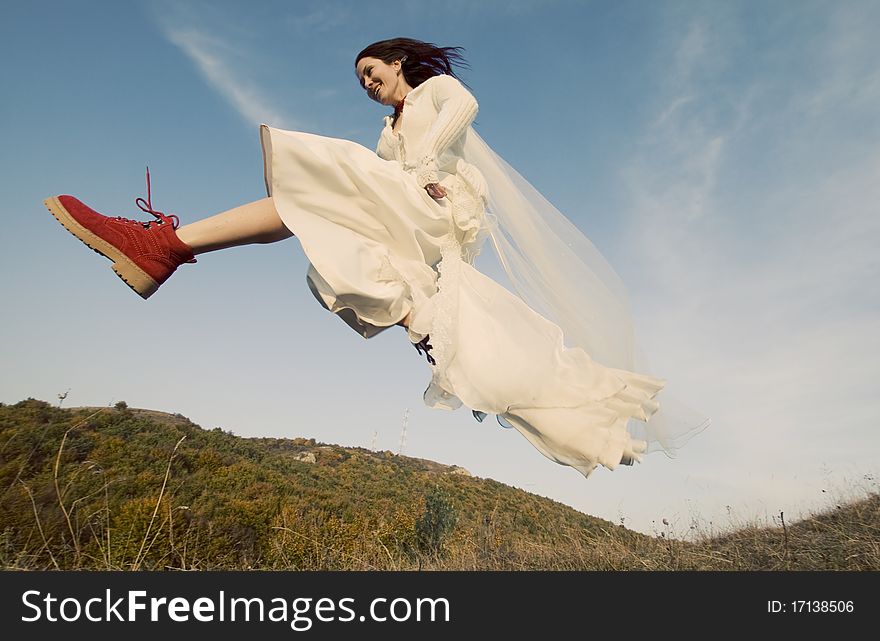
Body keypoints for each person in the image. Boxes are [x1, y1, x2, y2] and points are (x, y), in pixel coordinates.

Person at [44, 38, 705, 479]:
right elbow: (388, 176)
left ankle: (160, 245)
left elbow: (464, 111)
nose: (366, 82)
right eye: (360, 79)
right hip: (406, 212)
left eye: (372, 70)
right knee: (316, 211)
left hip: (433, 207)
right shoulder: (387, 136)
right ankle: (165, 248)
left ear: (401, 62)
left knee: (328, 179)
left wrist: (424, 163)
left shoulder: (435, 94)